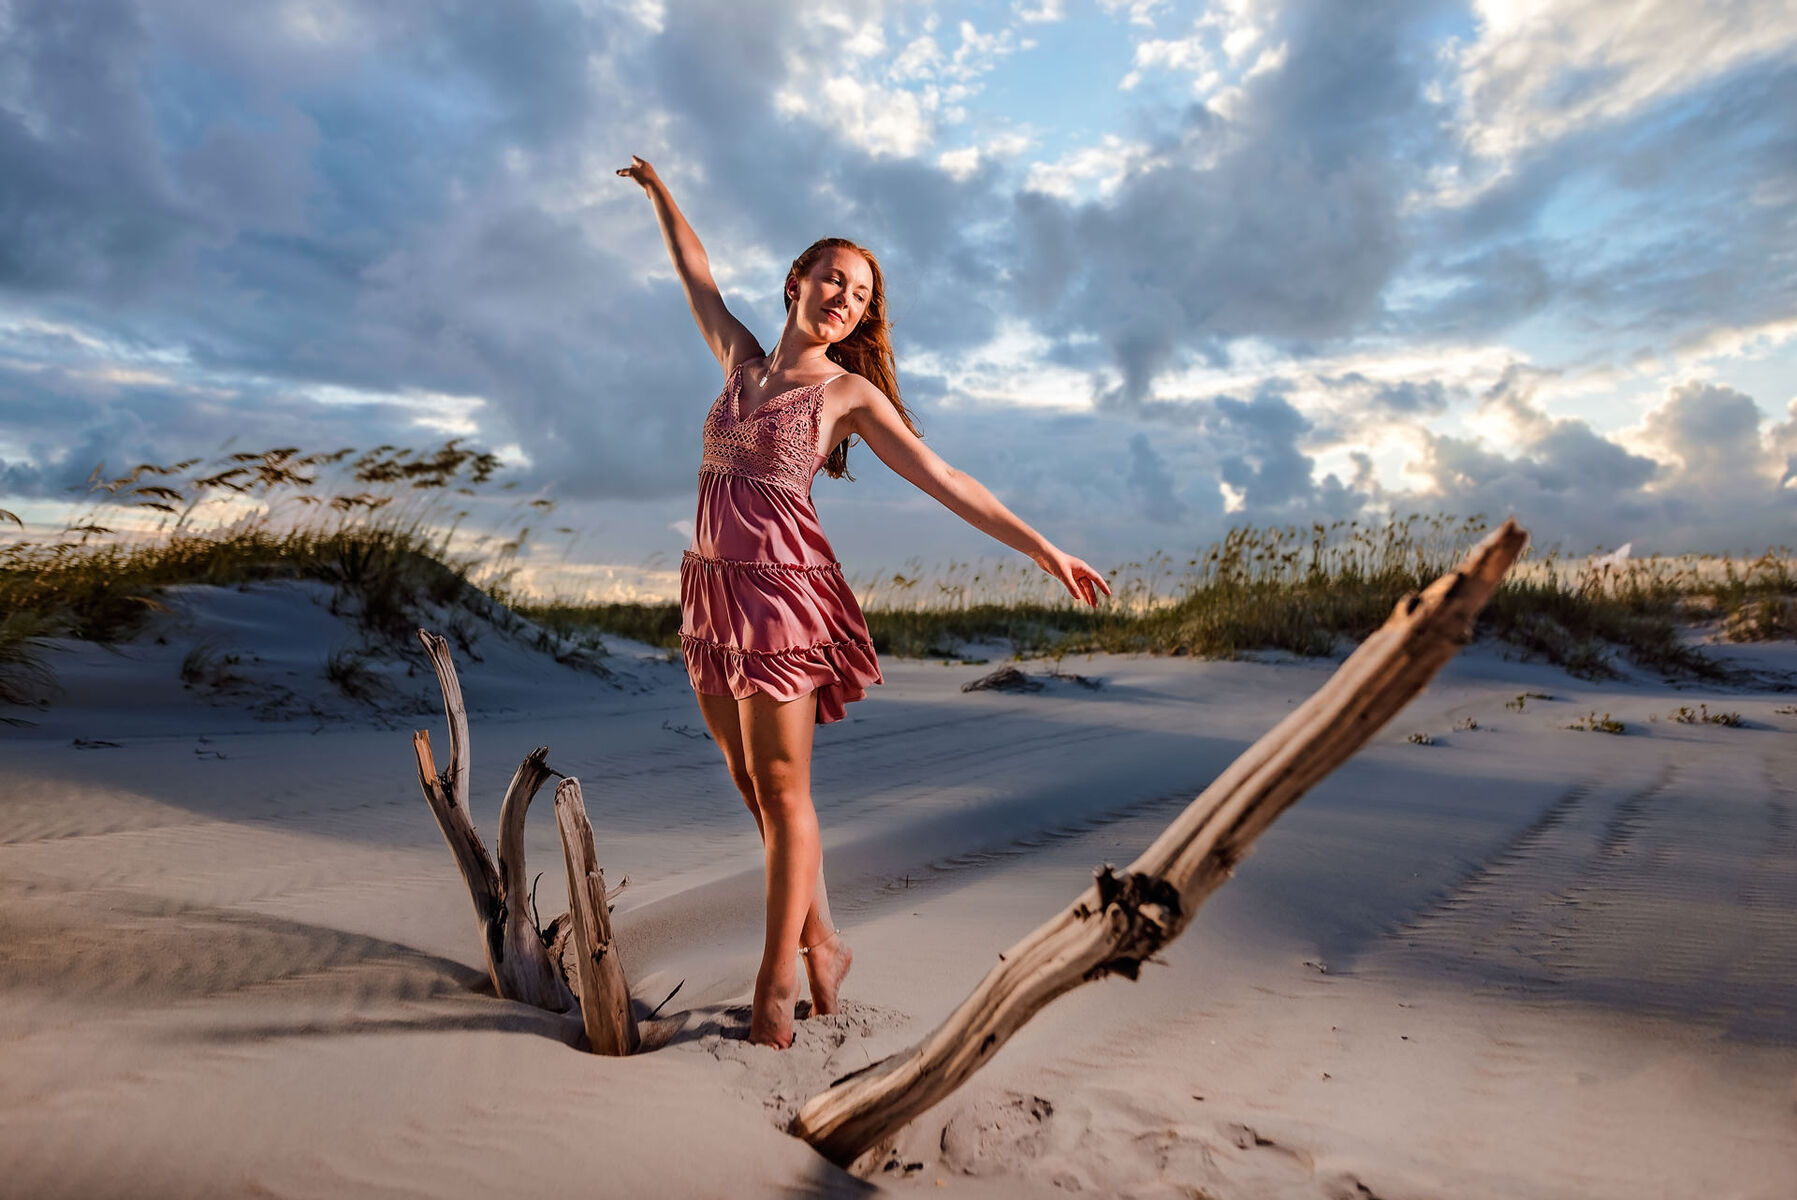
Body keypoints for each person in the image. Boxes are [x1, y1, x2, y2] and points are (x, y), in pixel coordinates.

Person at [618, 155, 1111, 1048]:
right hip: (710, 593)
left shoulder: (849, 394)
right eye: (831, 278)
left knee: (781, 785)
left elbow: (944, 477)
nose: (844, 297)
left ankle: (776, 989)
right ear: (796, 283)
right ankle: (826, 944)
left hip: (781, 596)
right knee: (745, 782)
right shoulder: (736, 360)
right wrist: (660, 193)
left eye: (860, 293)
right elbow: (696, 275)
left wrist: (1042, 547)